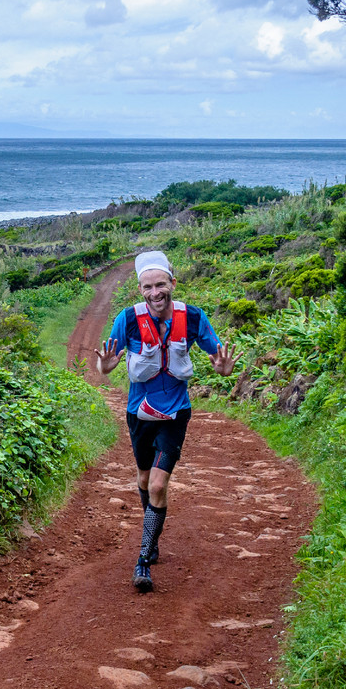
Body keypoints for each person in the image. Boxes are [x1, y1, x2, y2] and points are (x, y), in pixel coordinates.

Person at [93, 250, 235, 592]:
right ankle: (152, 534)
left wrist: (223, 369)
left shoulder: (193, 317)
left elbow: (218, 356)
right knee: (144, 478)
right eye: (148, 287)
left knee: (158, 485)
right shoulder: (128, 319)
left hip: (175, 413)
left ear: (172, 282)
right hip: (139, 413)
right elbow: (105, 364)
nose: (155, 293)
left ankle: (143, 559)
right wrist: (105, 366)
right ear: (140, 289)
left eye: (160, 285)